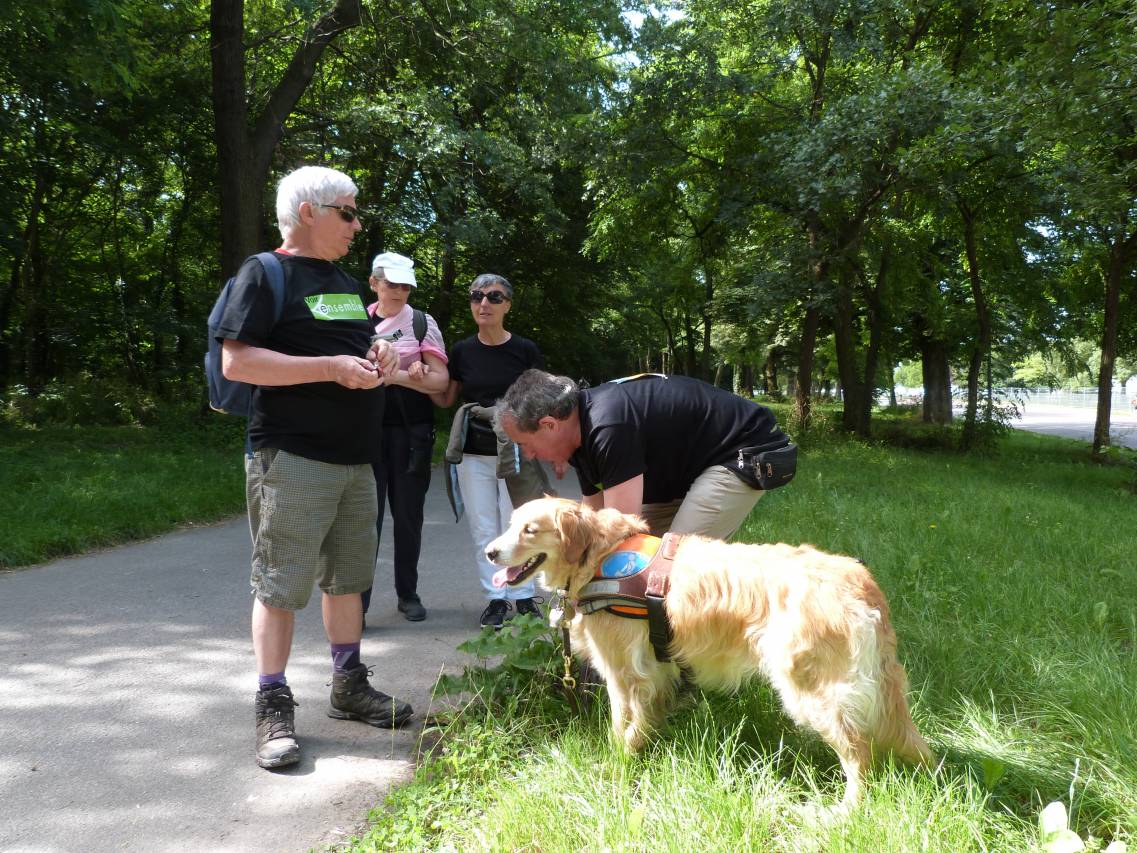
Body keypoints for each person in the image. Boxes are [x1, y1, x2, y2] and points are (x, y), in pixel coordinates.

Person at [215, 165, 413, 771]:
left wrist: (377, 351)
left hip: (357, 459)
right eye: (348, 213)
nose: (358, 224)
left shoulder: (348, 284)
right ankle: (272, 703)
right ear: (310, 212)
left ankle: (348, 684)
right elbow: (238, 363)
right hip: (292, 457)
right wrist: (330, 368)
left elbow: (352, 347)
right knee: (280, 584)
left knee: (347, 580)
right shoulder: (263, 273)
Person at [496, 370, 791, 541]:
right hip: (690, 466)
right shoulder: (577, 433)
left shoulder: (608, 425)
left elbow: (617, 528)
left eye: (524, 443)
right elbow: (591, 520)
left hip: (745, 448)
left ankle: (702, 639)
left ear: (549, 425)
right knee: (645, 551)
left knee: (674, 563)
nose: (528, 454)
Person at [431, 274, 550, 629]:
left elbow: (541, 400)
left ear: (508, 305)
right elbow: (446, 397)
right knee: (484, 528)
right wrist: (411, 374)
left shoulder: (525, 350)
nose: (484, 303)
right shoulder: (462, 350)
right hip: (473, 452)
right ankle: (496, 598)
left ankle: (523, 596)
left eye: (494, 297)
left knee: (520, 527)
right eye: (477, 296)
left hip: (515, 452)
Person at [360, 251, 449, 623]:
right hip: (364, 435)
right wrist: (406, 373)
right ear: (374, 283)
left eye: (405, 285)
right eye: (391, 283)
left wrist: (394, 375)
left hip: (412, 435)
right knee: (366, 520)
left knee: (408, 517)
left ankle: (407, 593)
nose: (398, 291)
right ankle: (356, 606)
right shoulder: (354, 321)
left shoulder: (421, 323)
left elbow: (439, 380)